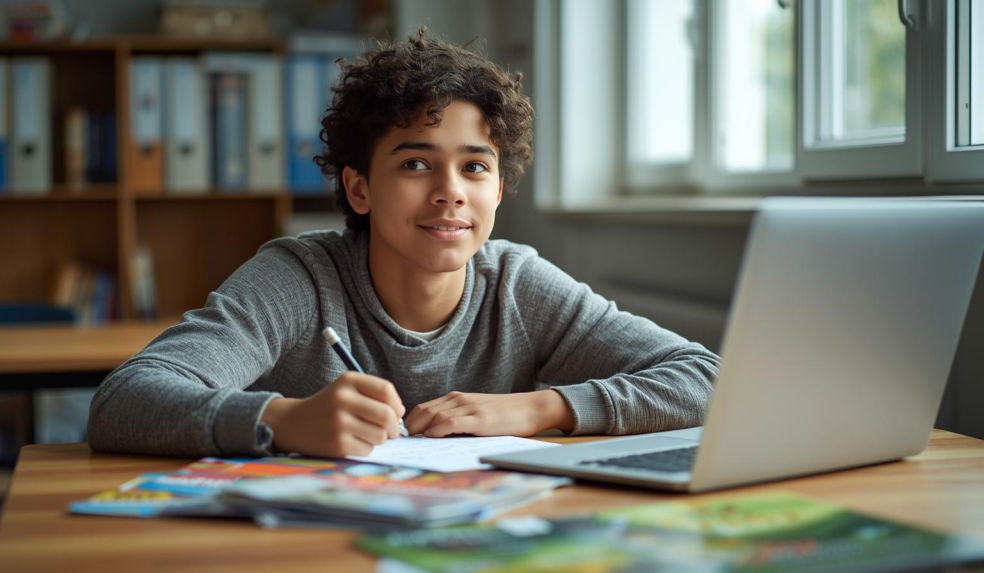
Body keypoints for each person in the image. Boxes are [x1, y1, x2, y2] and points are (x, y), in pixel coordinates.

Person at [87, 27, 720, 459]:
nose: (451, 192)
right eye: (416, 165)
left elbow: (706, 378)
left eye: (474, 167)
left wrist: (542, 409)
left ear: (500, 188)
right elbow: (124, 401)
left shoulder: (519, 285)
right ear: (359, 189)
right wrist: (279, 418)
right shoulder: (299, 278)